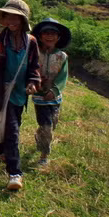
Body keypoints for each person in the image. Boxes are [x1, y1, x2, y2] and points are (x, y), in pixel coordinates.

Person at [0, 0, 41, 191]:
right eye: (9, 17)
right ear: (4, 19)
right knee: (11, 131)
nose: (12, 21)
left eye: (17, 18)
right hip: (2, 91)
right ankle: (15, 173)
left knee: (12, 127)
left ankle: (2, 151)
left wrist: (33, 83)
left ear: (24, 20)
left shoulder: (31, 42)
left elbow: (34, 67)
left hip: (20, 94)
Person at [31, 17, 71, 167]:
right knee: (46, 126)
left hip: (55, 98)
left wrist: (54, 90)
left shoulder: (62, 56)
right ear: (40, 37)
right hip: (40, 97)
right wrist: (35, 83)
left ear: (58, 37)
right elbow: (30, 70)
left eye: (53, 33)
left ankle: (40, 136)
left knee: (52, 124)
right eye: (46, 33)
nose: (49, 36)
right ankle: (44, 156)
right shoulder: (34, 53)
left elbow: (63, 77)